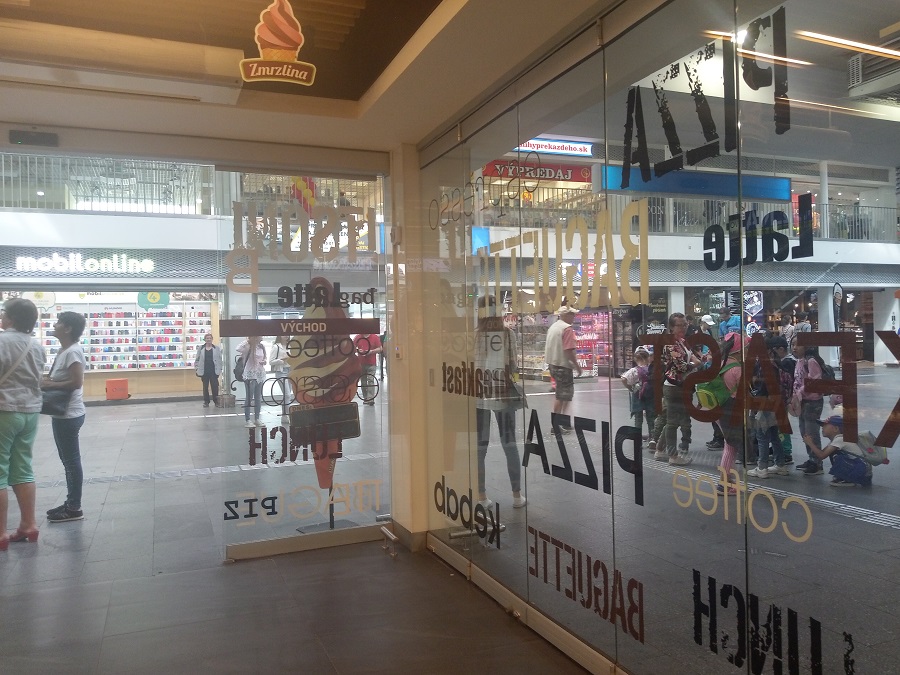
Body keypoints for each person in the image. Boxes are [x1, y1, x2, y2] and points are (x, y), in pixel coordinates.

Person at [0, 298, 45, 549]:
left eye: (4, 313)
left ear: (12, 318)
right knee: (23, 469)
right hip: (30, 412)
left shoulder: (2, 341)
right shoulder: (36, 345)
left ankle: (1, 533)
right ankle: (29, 524)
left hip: (4, 410)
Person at [475, 295, 526, 509]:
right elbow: (513, 366)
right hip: (503, 394)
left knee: (480, 447)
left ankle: (481, 496)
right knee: (509, 444)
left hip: (479, 395)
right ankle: (516, 495)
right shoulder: (508, 334)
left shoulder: (474, 336)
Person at [43, 311, 88, 523]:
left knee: (71, 462)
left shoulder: (73, 352)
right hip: (62, 413)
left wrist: (49, 385)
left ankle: (74, 508)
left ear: (68, 328)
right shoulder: (65, 350)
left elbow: (76, 382)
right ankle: (71, 502)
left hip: (69, 414)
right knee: (67, 461)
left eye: (59, 322)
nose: (55, 325)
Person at [657, 312, 700, 465]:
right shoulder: (670, 344)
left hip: (680, 385)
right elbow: (682, 366)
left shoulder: (681, 341)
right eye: (679, 325)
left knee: (672, 420)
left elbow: (691, 357)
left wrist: (695, 361)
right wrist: (695, 364)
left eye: (685, 324)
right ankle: (673, 455)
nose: (683, 328)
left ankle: (660, 449)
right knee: (672, 422)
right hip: (674, 386)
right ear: (671, 327)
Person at [713, 332, 747, 494]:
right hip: (731, 409)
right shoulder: (736, 368)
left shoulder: (720, 363)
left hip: (719, 407)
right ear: (739, 350)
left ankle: (726, 478)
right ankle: (724, 483)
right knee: (731, 445)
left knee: (729, 443)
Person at [803, 411, 872, 487]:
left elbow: (822, 455)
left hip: (862, 470)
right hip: (863, 471)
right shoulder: (837, 439)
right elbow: (822, 453)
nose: (822, 428)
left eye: (825, 425)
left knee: (836, 456)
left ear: (836, 429)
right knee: (833, 453)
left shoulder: (840, 439)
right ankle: (845, 476)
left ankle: (848, 479)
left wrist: (810, 443)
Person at [544, 301, 582, 435]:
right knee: (561, 396)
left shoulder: (553, 327)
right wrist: (577, 366)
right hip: (563, 366)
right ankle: (556, 425)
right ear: (566, 315)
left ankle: (564, 422)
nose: (574, 317)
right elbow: (569, 350)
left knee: (565, 395)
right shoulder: (567, 329)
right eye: (572, 315)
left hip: (553, 364)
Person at [791, 342, 824, 476]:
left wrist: (799, 393)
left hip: (812, 401)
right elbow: (797, 381)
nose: (794, 347)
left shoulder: (811, 361)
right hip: (802, 401)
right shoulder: (799, 361)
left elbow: (814, 380)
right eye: (792, 344)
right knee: (804, 431)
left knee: (811, 432)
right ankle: (811, 458)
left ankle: (817, 463)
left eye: (797, 344)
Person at [699, 314, 725, 451]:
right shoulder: (698, 334)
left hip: (714, 383)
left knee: (716, 412)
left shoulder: (708, 334)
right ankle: (717, 437)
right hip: (708, 375)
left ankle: (719, 438)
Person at [623, 347, 656, 444]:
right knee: (651, 418)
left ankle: (637, 438)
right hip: (650, 395)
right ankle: (652, 438)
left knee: (638, 418)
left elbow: (624, 379)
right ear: (647, 358)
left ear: (635, 359)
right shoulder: (651, 369)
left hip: (637, 395)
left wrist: (629, 387)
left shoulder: (634, 370)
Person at [237, 336, 267, 428]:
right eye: (260, 335)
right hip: (250, 374)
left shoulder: (261, 346)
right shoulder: (248, 346)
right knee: (249, 397)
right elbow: (238, 348)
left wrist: (264, 361)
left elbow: (265, 357)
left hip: (259, 373)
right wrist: (248, 340)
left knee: (258, 397)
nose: (262, 337)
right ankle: (248, 419)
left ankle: (257, 418)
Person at [193, 333, 223, 408]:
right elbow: (197, 359)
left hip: (213, 370)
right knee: (205, 387)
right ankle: (206, 401)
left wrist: (220, 369)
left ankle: (216, 401)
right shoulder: (201, 348)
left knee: (215, 386)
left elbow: (219, 359)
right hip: (204, 371)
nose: (208, 339)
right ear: (205, 339)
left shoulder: (216, 348)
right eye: (207, 338)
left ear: (212, 339)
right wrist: (196, 368)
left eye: (210, 338)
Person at [269, 335, 293, 424]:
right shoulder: (276, 347)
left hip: (290, 371)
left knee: (287, 395)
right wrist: (282, 360)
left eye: (287, 334)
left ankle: (284, 415)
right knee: (287, 395)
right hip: (281, 371)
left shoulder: (291, 345)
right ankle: (287, 415)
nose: (286, 336)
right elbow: (271, 361)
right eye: (283, 334)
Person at [354, 333, 382, 405]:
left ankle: (370, 398)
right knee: (363, 381)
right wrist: (357, 350)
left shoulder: (374, 337)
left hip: (371, 363)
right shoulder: (358, 337)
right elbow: (352, 348)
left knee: (370, 380)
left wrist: (371, 351)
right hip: (361, 363)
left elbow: (380, 348)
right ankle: (366, 397)